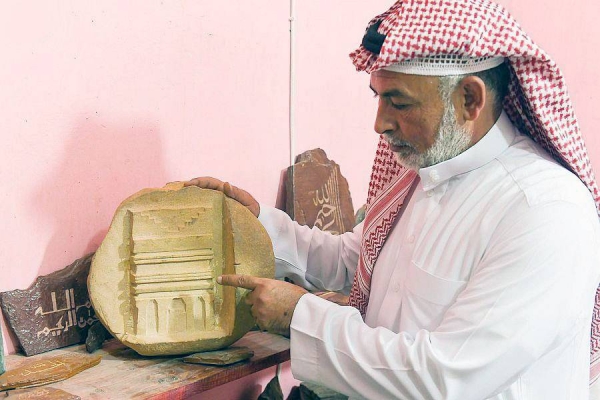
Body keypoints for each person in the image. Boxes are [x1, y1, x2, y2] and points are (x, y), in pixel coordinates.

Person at [185, 0, 600, 398]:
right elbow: (357, 263)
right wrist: (258, 227)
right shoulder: (425, 174)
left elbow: (445, 379)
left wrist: (301, 316)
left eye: (398, 102)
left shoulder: (545, 211)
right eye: (378, 97)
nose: (379, 123)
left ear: (470, 99)